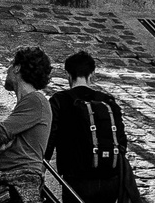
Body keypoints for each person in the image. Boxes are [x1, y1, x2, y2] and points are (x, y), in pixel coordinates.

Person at [46, 51, 137, 203]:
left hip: (76, 179)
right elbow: (121, 141)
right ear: (92, 74)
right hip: (110, 178)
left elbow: (49, 139)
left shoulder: (60, 100)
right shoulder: (107, 101)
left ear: (68, 74)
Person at [0, 46, 54, 203]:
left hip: (19, 186)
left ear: (17, 68)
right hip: (10, 185)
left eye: (10, 64)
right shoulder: (26, 105)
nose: (7, 69)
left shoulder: (35, 101)